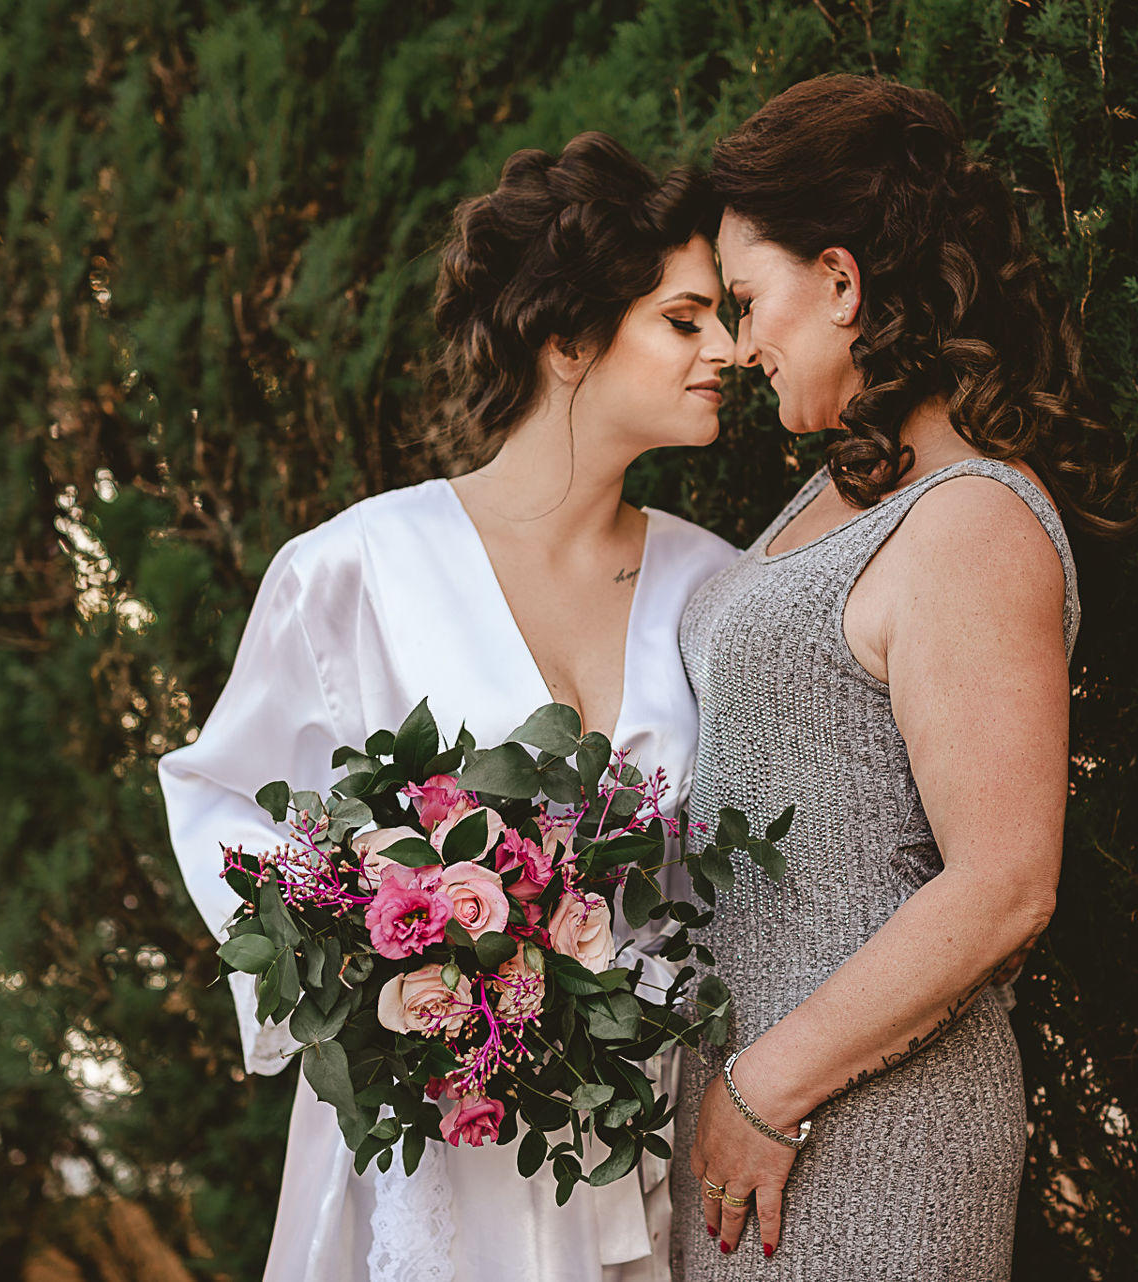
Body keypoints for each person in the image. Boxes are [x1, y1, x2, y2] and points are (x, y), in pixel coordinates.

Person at [160, 131, 737, 1282]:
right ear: (568, 337)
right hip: (429, 1152)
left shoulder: (718, 587)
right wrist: (365, 955)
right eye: (685, 319)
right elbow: (222, 801)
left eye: (724, 316)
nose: (728, 348)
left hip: (639, 1144)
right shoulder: (354, 571)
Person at [671, 76, 1138, 1279]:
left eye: (748, 301)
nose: (736, 347)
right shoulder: (832, 490)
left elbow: (1004, 883)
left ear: (842, 280)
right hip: (750, 1131)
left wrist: (767, 1085)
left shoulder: (972, 520)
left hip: (856, 1136)